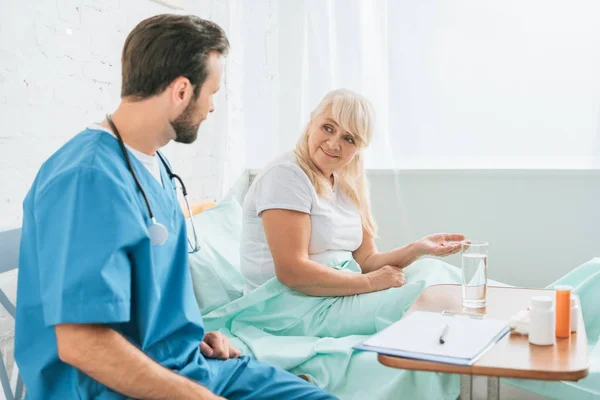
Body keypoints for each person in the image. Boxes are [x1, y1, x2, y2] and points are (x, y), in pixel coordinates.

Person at [15, 14, 336, 400]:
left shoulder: (154, 164)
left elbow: (149, 295)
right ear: (182, 91)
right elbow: (82, 343)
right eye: (212, 93)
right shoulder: (87, 179)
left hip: (185, 365)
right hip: (109, 389)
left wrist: (192, 336)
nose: (213, 108)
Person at [241, 88, 464, 298]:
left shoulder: (347, 185)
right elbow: (292, 271)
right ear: (311, 123)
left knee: (435, 273)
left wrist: (417, 248)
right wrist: (371, 283)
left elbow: (367, 260)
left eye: (349, 139)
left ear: (359, 148)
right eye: (328, 128)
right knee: (425, 296)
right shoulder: (286, 175)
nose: (334, 143)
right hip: (287, 301)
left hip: (338, 289)